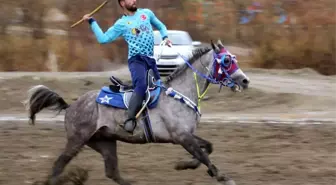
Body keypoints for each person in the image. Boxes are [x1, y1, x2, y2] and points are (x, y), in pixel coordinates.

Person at [82, 0, 171, 134]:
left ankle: (159, 119)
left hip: (150, 60)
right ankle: (130, 120)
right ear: (122, 3)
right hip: (136, 61)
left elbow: (161, 26)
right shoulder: (121, 24)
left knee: (159, 88)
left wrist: (165, 37)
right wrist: (92, 22)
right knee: (141, 86)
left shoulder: (146, 13)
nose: (134, 0)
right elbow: (103, 39)